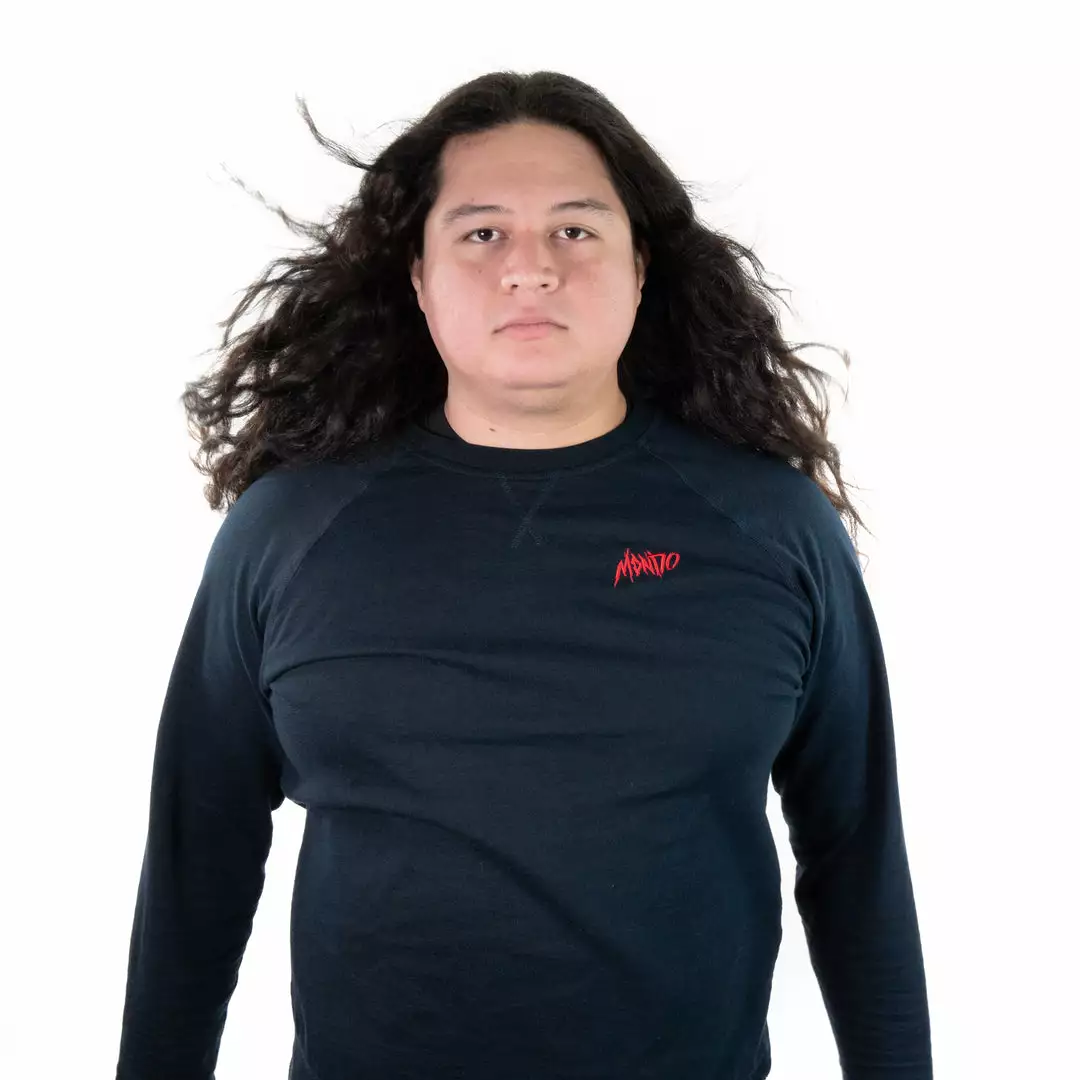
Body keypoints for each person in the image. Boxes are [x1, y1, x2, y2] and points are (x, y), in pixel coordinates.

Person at [115, 70, 933, 1079]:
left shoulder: (775, 530)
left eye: (575, 230)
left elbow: (856, 856)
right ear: (418, 277)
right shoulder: (289, 533)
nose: (531, 269)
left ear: (641, 268)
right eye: (483, 233)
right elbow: (198, 859)